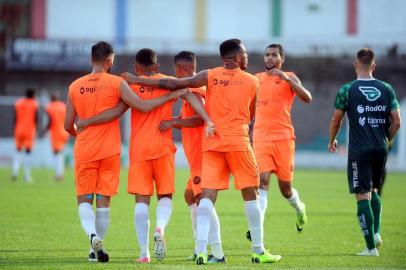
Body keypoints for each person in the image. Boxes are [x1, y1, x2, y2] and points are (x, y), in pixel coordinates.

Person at [122, 38, 282, 265]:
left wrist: (137, 80)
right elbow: (250, 114)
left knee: (204, 196)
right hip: (237, 142)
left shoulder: (209, 76)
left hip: (211, 146)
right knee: (249, 194)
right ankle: (257, 250)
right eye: (245, 54)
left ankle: (202, 249)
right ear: (238, 58)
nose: (247, 57)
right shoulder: (252, 81)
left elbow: (173, 86)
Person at [75, 48, 214, 263]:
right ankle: (160, 228)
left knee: (142, 201)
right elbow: (191, 96)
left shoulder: (130, 85)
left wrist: (86, 121)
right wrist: (207, 118)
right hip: (163, 147)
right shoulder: (169, 81)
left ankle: (144, 253)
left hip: (139, 150)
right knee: (165, 197)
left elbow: (115, 111)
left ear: (136, 68)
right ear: (157, 66)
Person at [328, 48, 401, 256]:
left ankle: (370, 248)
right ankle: (376, 233)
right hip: (381, 149)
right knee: (374, 190)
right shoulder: (387, 88)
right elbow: (397, 121)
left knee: (362, 196)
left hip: (359, 152)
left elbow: (336, 119)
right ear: (374, 66)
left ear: (355, 65)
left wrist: (332, 140)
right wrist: (386, 140)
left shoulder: (347, 90)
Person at [158, 51, 225, 263]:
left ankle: (217, 252)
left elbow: (200, 119)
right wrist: (175, 118)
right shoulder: (195, 88)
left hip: (202, 155)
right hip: (195, 157)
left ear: (179, 69)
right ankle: (199, 247)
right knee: (190, 196)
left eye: (175, 69)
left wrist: (174, 123)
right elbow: (190, 116)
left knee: (202, 200)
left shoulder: (194, 89)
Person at [248, 44, 311, 240]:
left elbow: (307, 98)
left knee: (285, 190)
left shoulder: (290, 77)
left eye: (274, 55)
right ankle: (257, 227)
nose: (269, 58)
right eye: (267, 55)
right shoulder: (256, 79)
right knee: (262, 183)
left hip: (284, 139)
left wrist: (287, 80)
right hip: (261, 138)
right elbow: (249, 108)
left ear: (281, 59)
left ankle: (300, 208)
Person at [12, 88, 38, 183]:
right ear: (32, 95)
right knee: (28, 153)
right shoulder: (34, 104)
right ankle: (27, 175)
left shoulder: (18, 103)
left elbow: (15, 118)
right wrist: (36, 129)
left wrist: (14, 129)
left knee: (18, 151)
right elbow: (36, 118)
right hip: (29, 131)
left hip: (18, 130)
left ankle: (15, 172)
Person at [45, 92, 69, 181]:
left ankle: (59, 174)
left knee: (57, 153)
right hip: (64, 132)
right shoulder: (63, 106)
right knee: (60, 152)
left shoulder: (50, 107)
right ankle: (60, 173)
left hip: (56, 132)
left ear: (51, 98)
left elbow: (50, 121)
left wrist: (45, 130)